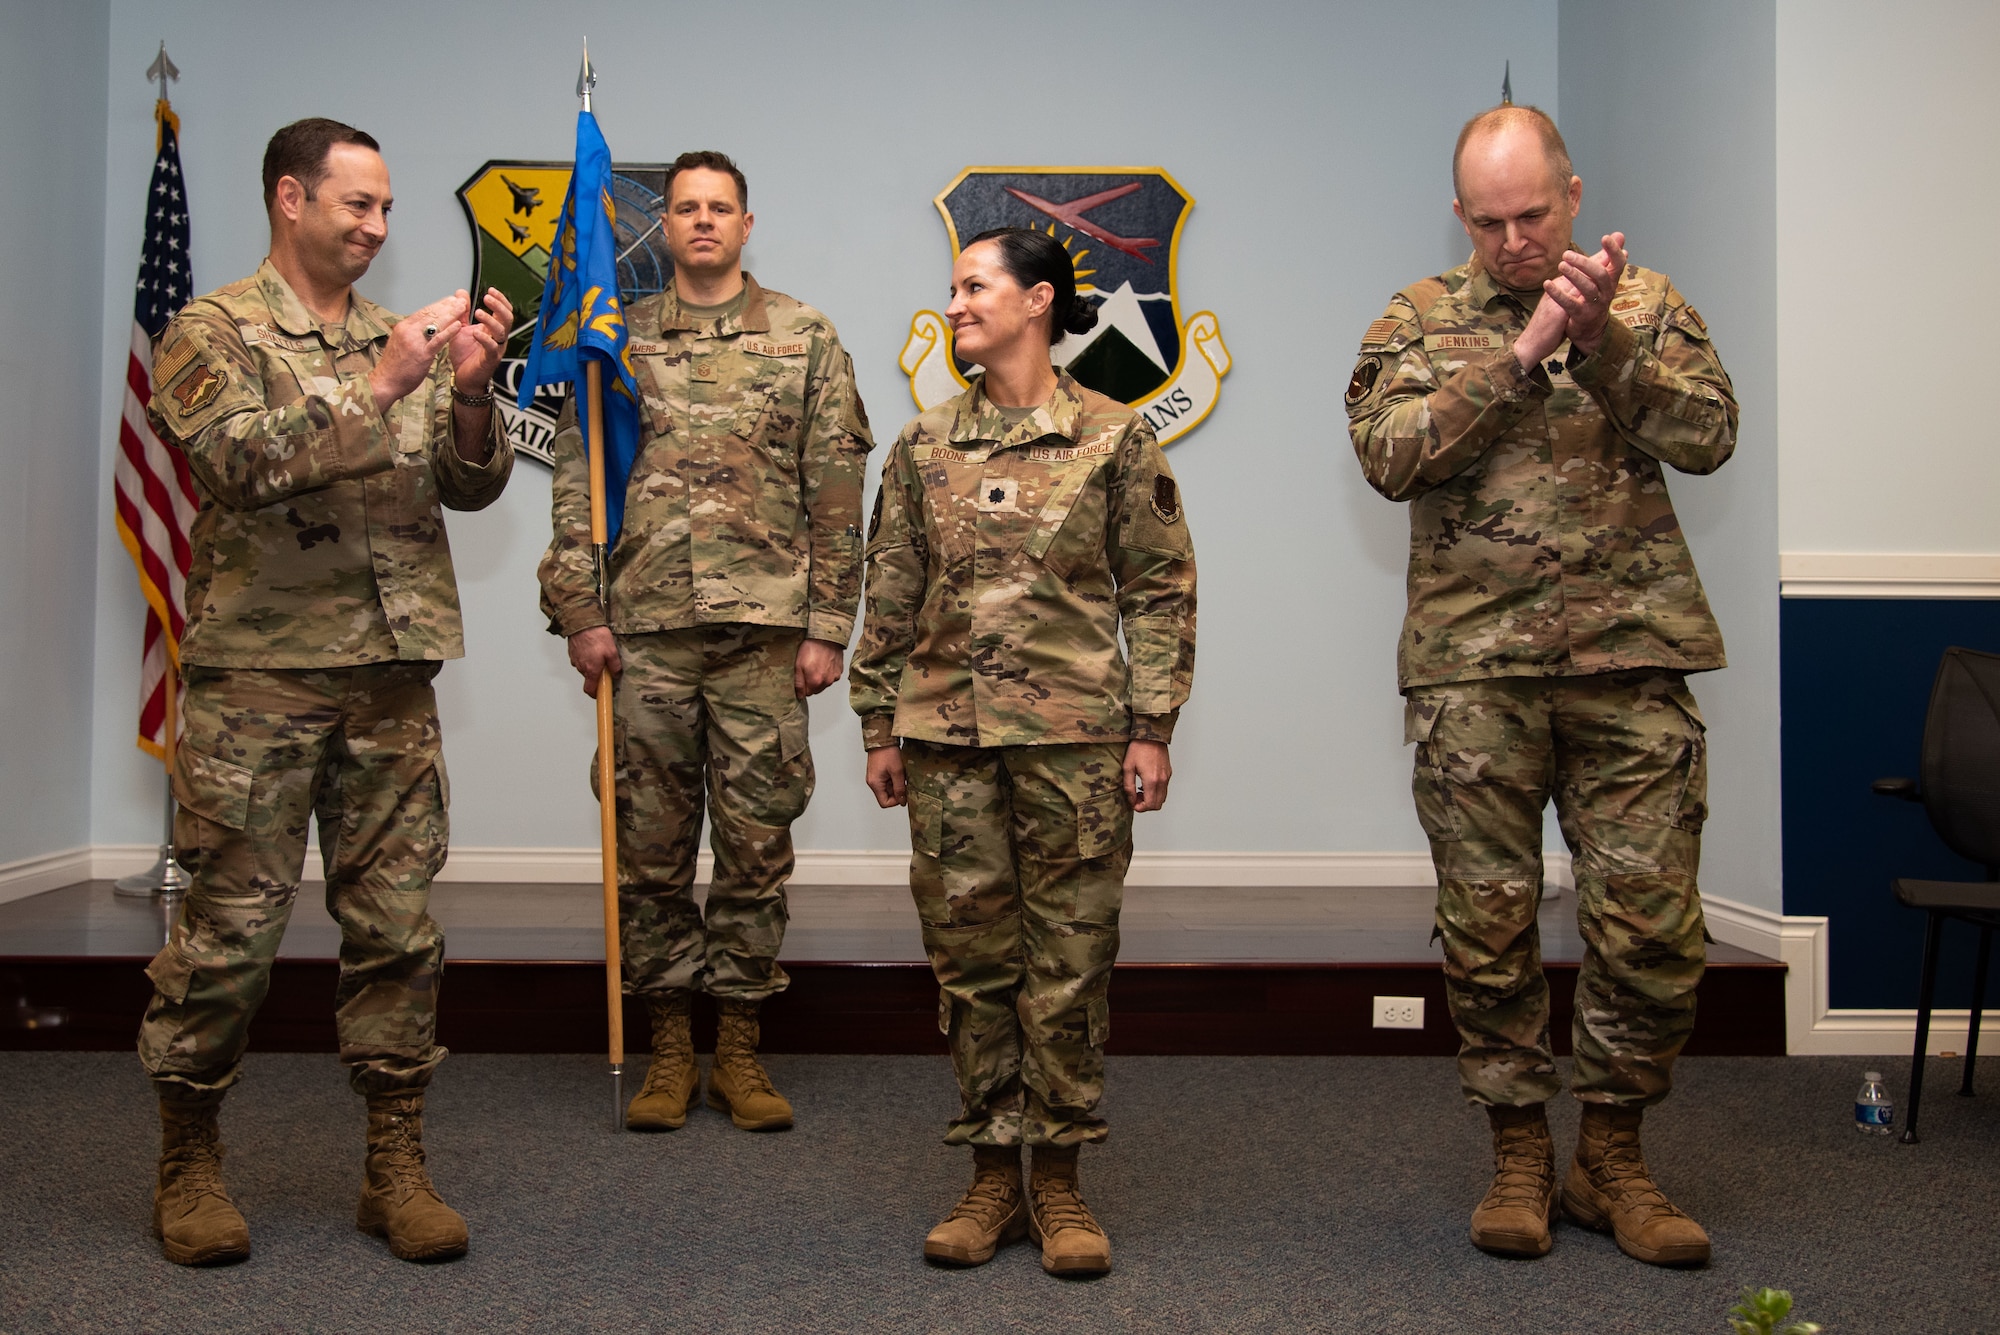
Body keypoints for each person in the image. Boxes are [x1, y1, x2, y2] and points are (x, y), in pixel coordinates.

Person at [1345, 104, 1737, 1267]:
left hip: (1631, 661)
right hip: (1475, 674)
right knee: (1487, 927)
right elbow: (1387, 456)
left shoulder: (1650, 305)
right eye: (1487, 220)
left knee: (1652, 925)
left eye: (1531, 214)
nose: (1512, 240)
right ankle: (1517, 1151)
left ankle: (1609, 1155)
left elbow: (1710, 436)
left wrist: (1601, 336)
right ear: (1457, 216)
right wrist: (1521, 356)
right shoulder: (1413, 319)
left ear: (1572, 197)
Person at [137, 117, 515, 1265]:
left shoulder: (393, 338)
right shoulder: (214, 330)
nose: (378, 226)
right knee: (226, 939)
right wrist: (388, 378)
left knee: (396, 934)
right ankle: (189, 1161)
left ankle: (393, 1162)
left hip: (391, 681)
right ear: (291, 199)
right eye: (359, 205)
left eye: (388, 208)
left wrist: (461, 393)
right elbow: (237, 463)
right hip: (261, 680)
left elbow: (472, 486)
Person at [851, 227, 1197, 1277]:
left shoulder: (1113, 439)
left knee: (1068, 967)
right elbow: (891, 591)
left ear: (1037, 300)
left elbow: (1158, 590)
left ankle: (1059, 1181)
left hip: (1077, 750)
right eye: (951, 288)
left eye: (972, 286)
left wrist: (1152, 727)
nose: (953, 304)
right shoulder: (920, 448)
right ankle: (990, 1171)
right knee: (971, 969)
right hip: (948, 748)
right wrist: (877, 722)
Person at [537, 151, 873, 1134]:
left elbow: (836, 490)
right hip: (644, 629)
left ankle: (738, 1044)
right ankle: (668, 1044)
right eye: (684, 207)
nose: (701, 221)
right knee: (646, 846)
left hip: (765, 636)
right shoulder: (617, 341)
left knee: (756, 844)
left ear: (746, 222)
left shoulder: (805, 337)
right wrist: (580, 611)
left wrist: (827, 624)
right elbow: (574, 483)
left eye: (718, 207)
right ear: (664, 226)